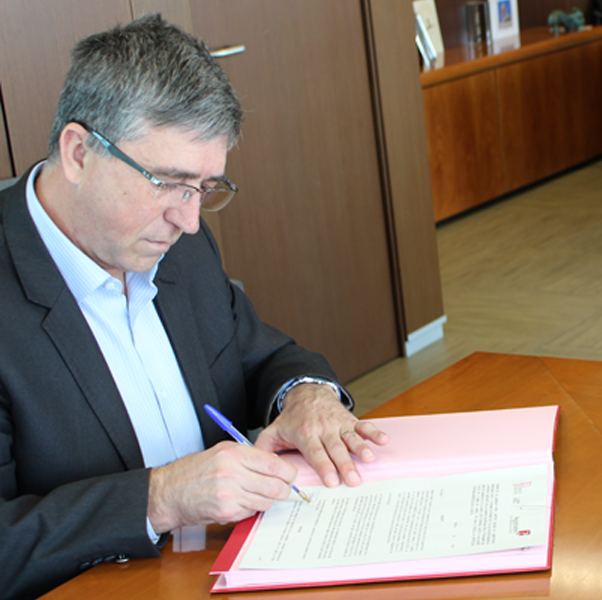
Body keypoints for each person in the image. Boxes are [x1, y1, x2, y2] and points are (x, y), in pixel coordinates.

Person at [0, 15, 389, 599]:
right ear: (79, 153)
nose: (188, 219)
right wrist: (159, 498)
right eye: (166, 182)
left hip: (228, 565)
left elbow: (257, 354)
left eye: (205, 188)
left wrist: (306, 394)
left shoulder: (173, 239)